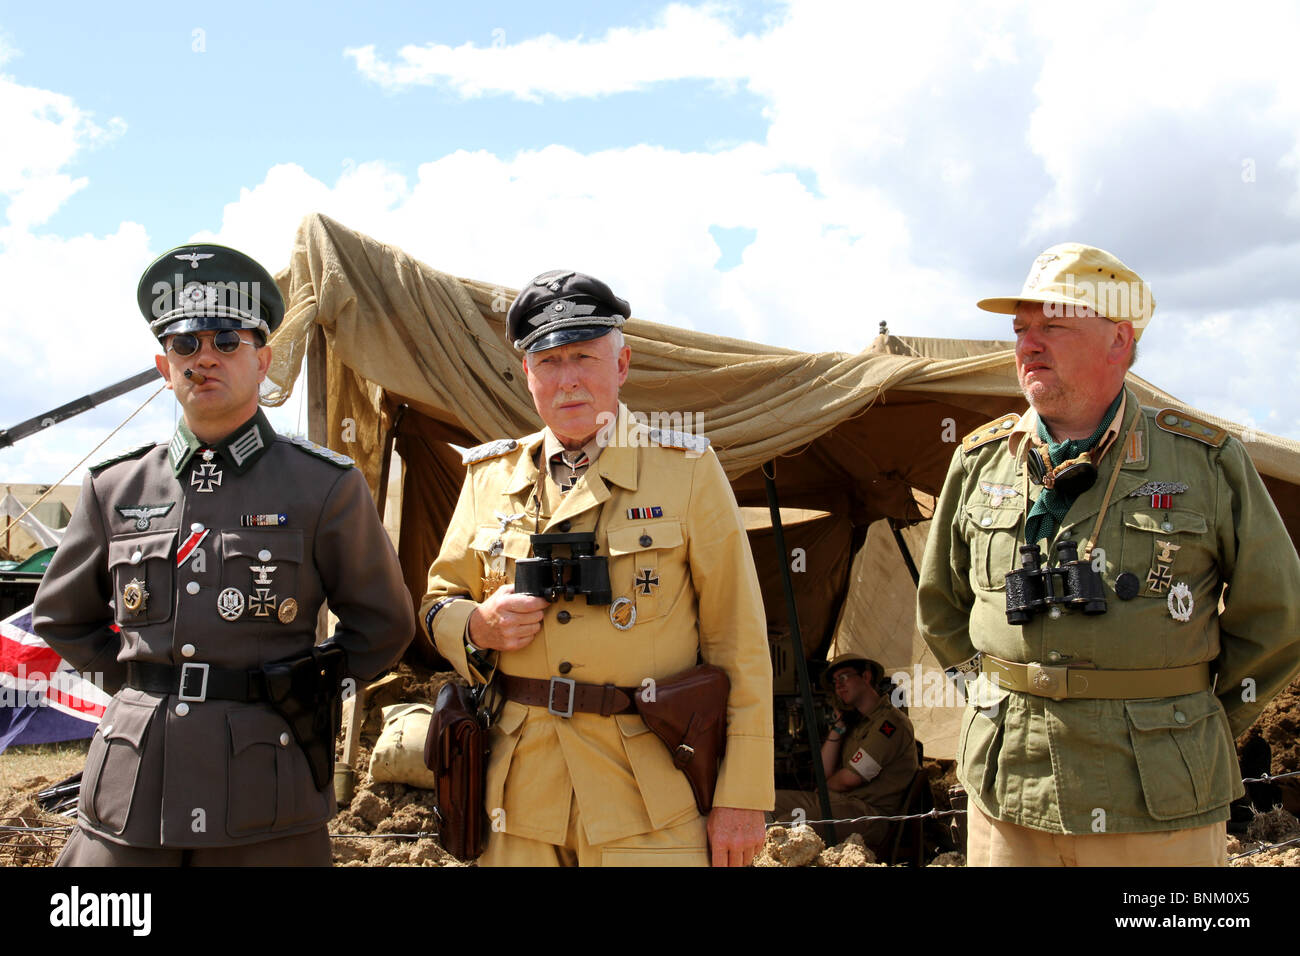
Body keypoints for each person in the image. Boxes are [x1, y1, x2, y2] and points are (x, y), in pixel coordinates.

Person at [916, 242, 1300, 866]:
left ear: (1119, 341)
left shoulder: (1204, 462)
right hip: (1010, 789)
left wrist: (1188, 725)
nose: (1028, 345)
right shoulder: (979, 461)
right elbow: (941, 608)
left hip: (1155, 797)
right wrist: (999, 704)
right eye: (1021, 330)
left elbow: (1277, 617)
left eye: (1053, 327)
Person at [33, 243, 415, 865]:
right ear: (164, 365)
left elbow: (383, 623)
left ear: (263, 359)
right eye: (186, 345)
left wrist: (304, 691)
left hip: (266, 787)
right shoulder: (115, 486)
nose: (204, 358)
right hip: (133, 793)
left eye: (226, 341)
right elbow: (60, 616)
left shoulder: (323, 485)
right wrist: (140, 690)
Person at [420, 269, 773, 867]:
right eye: (549, 361)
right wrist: (476, 627)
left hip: (649, 791)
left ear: (623, 364)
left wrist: (741, 796)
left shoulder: (685, 470)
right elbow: (436, 601)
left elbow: (738, 640)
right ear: (528, 374)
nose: (569, 379)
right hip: (517, 791)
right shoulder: (490, 479)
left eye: (584, 356)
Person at [772, 655, 918, 845]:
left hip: (869, 814)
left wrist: (826, 788)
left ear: (866, 677)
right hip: (839, 801)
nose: (838, 686)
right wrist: (839, 725)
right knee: (766, 804)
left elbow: (850, 779)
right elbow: (823, 772)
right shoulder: (857, 722)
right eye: (834, 682)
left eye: (844, 677)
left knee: (788, 825)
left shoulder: (889, 724)